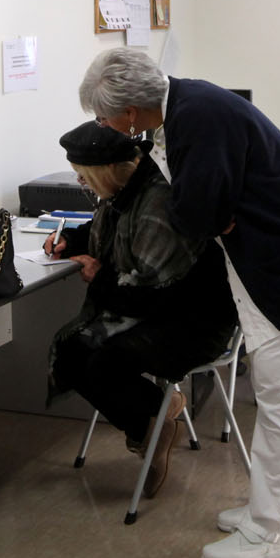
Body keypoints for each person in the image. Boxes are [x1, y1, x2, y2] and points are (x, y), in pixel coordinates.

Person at [78, 48, 280, 558]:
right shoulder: (186, 107)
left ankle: (270, 532)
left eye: (102, 118)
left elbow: (197, 214)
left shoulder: (199, 117)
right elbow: (204, 209)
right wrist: (212, 212)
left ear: (130, 115)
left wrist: (213, 213)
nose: (101, 127)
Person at [45, 121, 237, 501]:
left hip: (193, 319)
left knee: (103, 362)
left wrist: (98, 275)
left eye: (84, 176)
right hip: (153, 305)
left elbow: (150, 289)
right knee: (70, 349)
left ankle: (154, 426)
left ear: (107, 172)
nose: (82, 183)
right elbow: (107, 234)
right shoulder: (124, 193)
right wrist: (70, 240)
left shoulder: (157, 202)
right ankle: (155, 419)